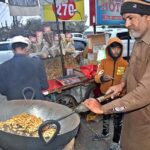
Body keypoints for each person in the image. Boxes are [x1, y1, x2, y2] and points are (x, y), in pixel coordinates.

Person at [84, 0, 150, 150]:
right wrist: (122, 84)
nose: (126, 25)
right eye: (124, 19)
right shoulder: (139, 41)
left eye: (131, 18)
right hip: (131, 114)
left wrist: (103, 109)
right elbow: (131, 68)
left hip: (145, 125)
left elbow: (145, 93)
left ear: (148, 17)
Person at [93, 37, 128, 149]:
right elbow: (97, 77)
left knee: (118, 120)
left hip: (119, 96)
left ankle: (115, 141)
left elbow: (127, 81)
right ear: (108, 49)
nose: (116, 51)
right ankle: (105, 133)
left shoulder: (125, 64)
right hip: (105, 95)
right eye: (113, 48)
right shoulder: (103, 62)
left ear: (121, 49)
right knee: (105, 115)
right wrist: (102, 78)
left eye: (118, 48)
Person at [0, 35, 48, 100]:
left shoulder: (3, 66)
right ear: (25, 48)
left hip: (15, 104)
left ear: (12, 50)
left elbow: (3, 91)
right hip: (36, 102)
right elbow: (45, 86)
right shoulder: (37, 62)